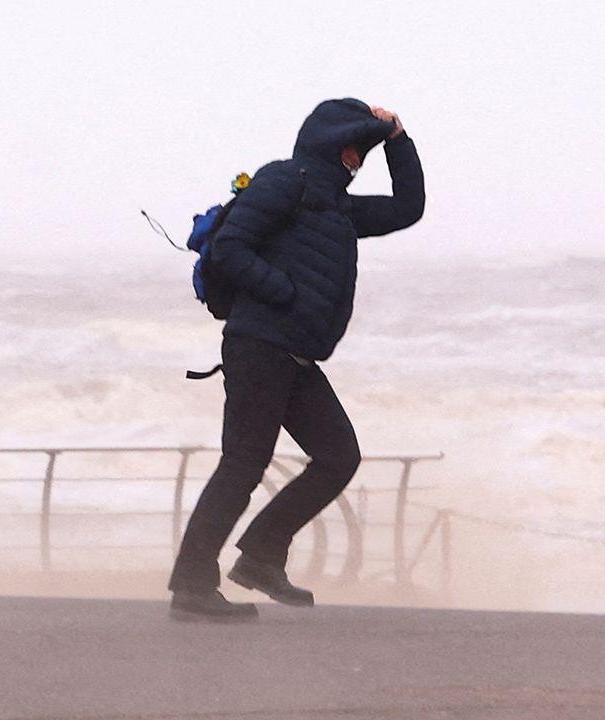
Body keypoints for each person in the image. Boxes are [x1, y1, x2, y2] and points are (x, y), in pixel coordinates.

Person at [168, 98, 425, 622]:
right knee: (243, 463)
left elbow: (407, 208)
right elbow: (231, 247)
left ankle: (261, 555)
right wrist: (281, 293)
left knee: (338, 457)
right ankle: (192, 587)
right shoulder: (287, 181)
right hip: (259, 345)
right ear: (339, 143)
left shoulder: (337, 207)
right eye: (359, 149)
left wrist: (398, 140)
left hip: (296, 356)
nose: (359, 161)